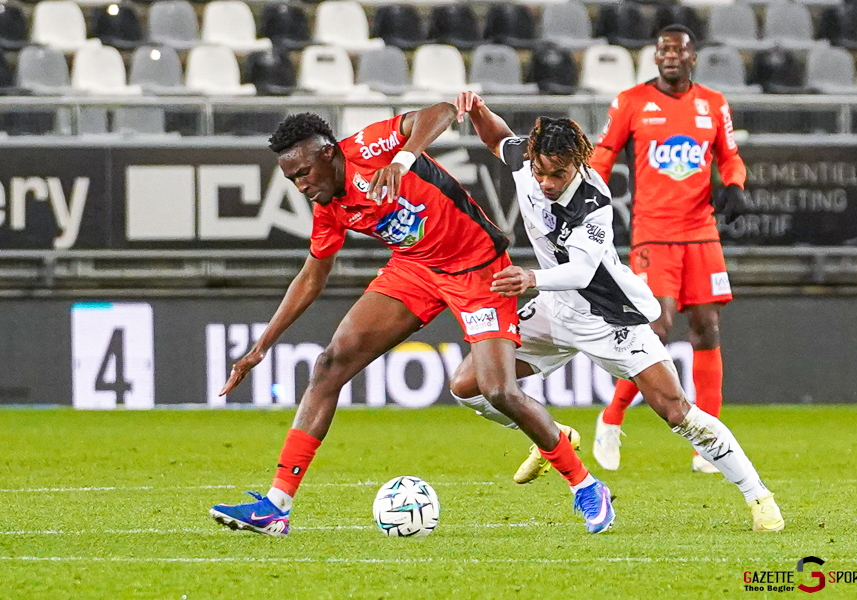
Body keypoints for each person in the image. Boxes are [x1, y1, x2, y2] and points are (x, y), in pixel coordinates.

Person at [208, 103, 615, 536]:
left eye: (303, 172)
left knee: (497, 389)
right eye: (292, 179)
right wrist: (261, 347)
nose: (301, 185)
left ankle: (586, 486)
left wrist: (404, 157)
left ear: (327, 154)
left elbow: (440, 112)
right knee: (329, 366)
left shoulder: (369, 146)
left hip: (477, 267)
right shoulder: (330, 205)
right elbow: (312, 278)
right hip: (415, 268)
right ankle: (276, 506)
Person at [452, 91, 783, 532]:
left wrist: (530, 279)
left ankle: (758, 495)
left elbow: (583, 270)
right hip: (553, 310)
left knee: (675, 409)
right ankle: (553, 435)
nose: (548, 182)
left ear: (578, 164)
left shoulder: (593, 200)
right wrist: (477, 110)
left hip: (607, 317)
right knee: (468, 385)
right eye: (541, 172)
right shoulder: (526, 163)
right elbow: (499, 138)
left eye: (559, 174)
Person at [590, 25, 747, 474]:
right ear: (655, 58)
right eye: (663, 50)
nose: (670, 56)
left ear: (693, 58)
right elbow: (604, 153)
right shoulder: (631, 102)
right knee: (656, 327)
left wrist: (734, 185)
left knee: (707, 328)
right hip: (653, 231)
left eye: (678, 50)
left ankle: (709, 444)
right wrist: (582, 193)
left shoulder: (713, 104)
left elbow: (730, 156)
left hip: (701, 230)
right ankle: (611, 418)